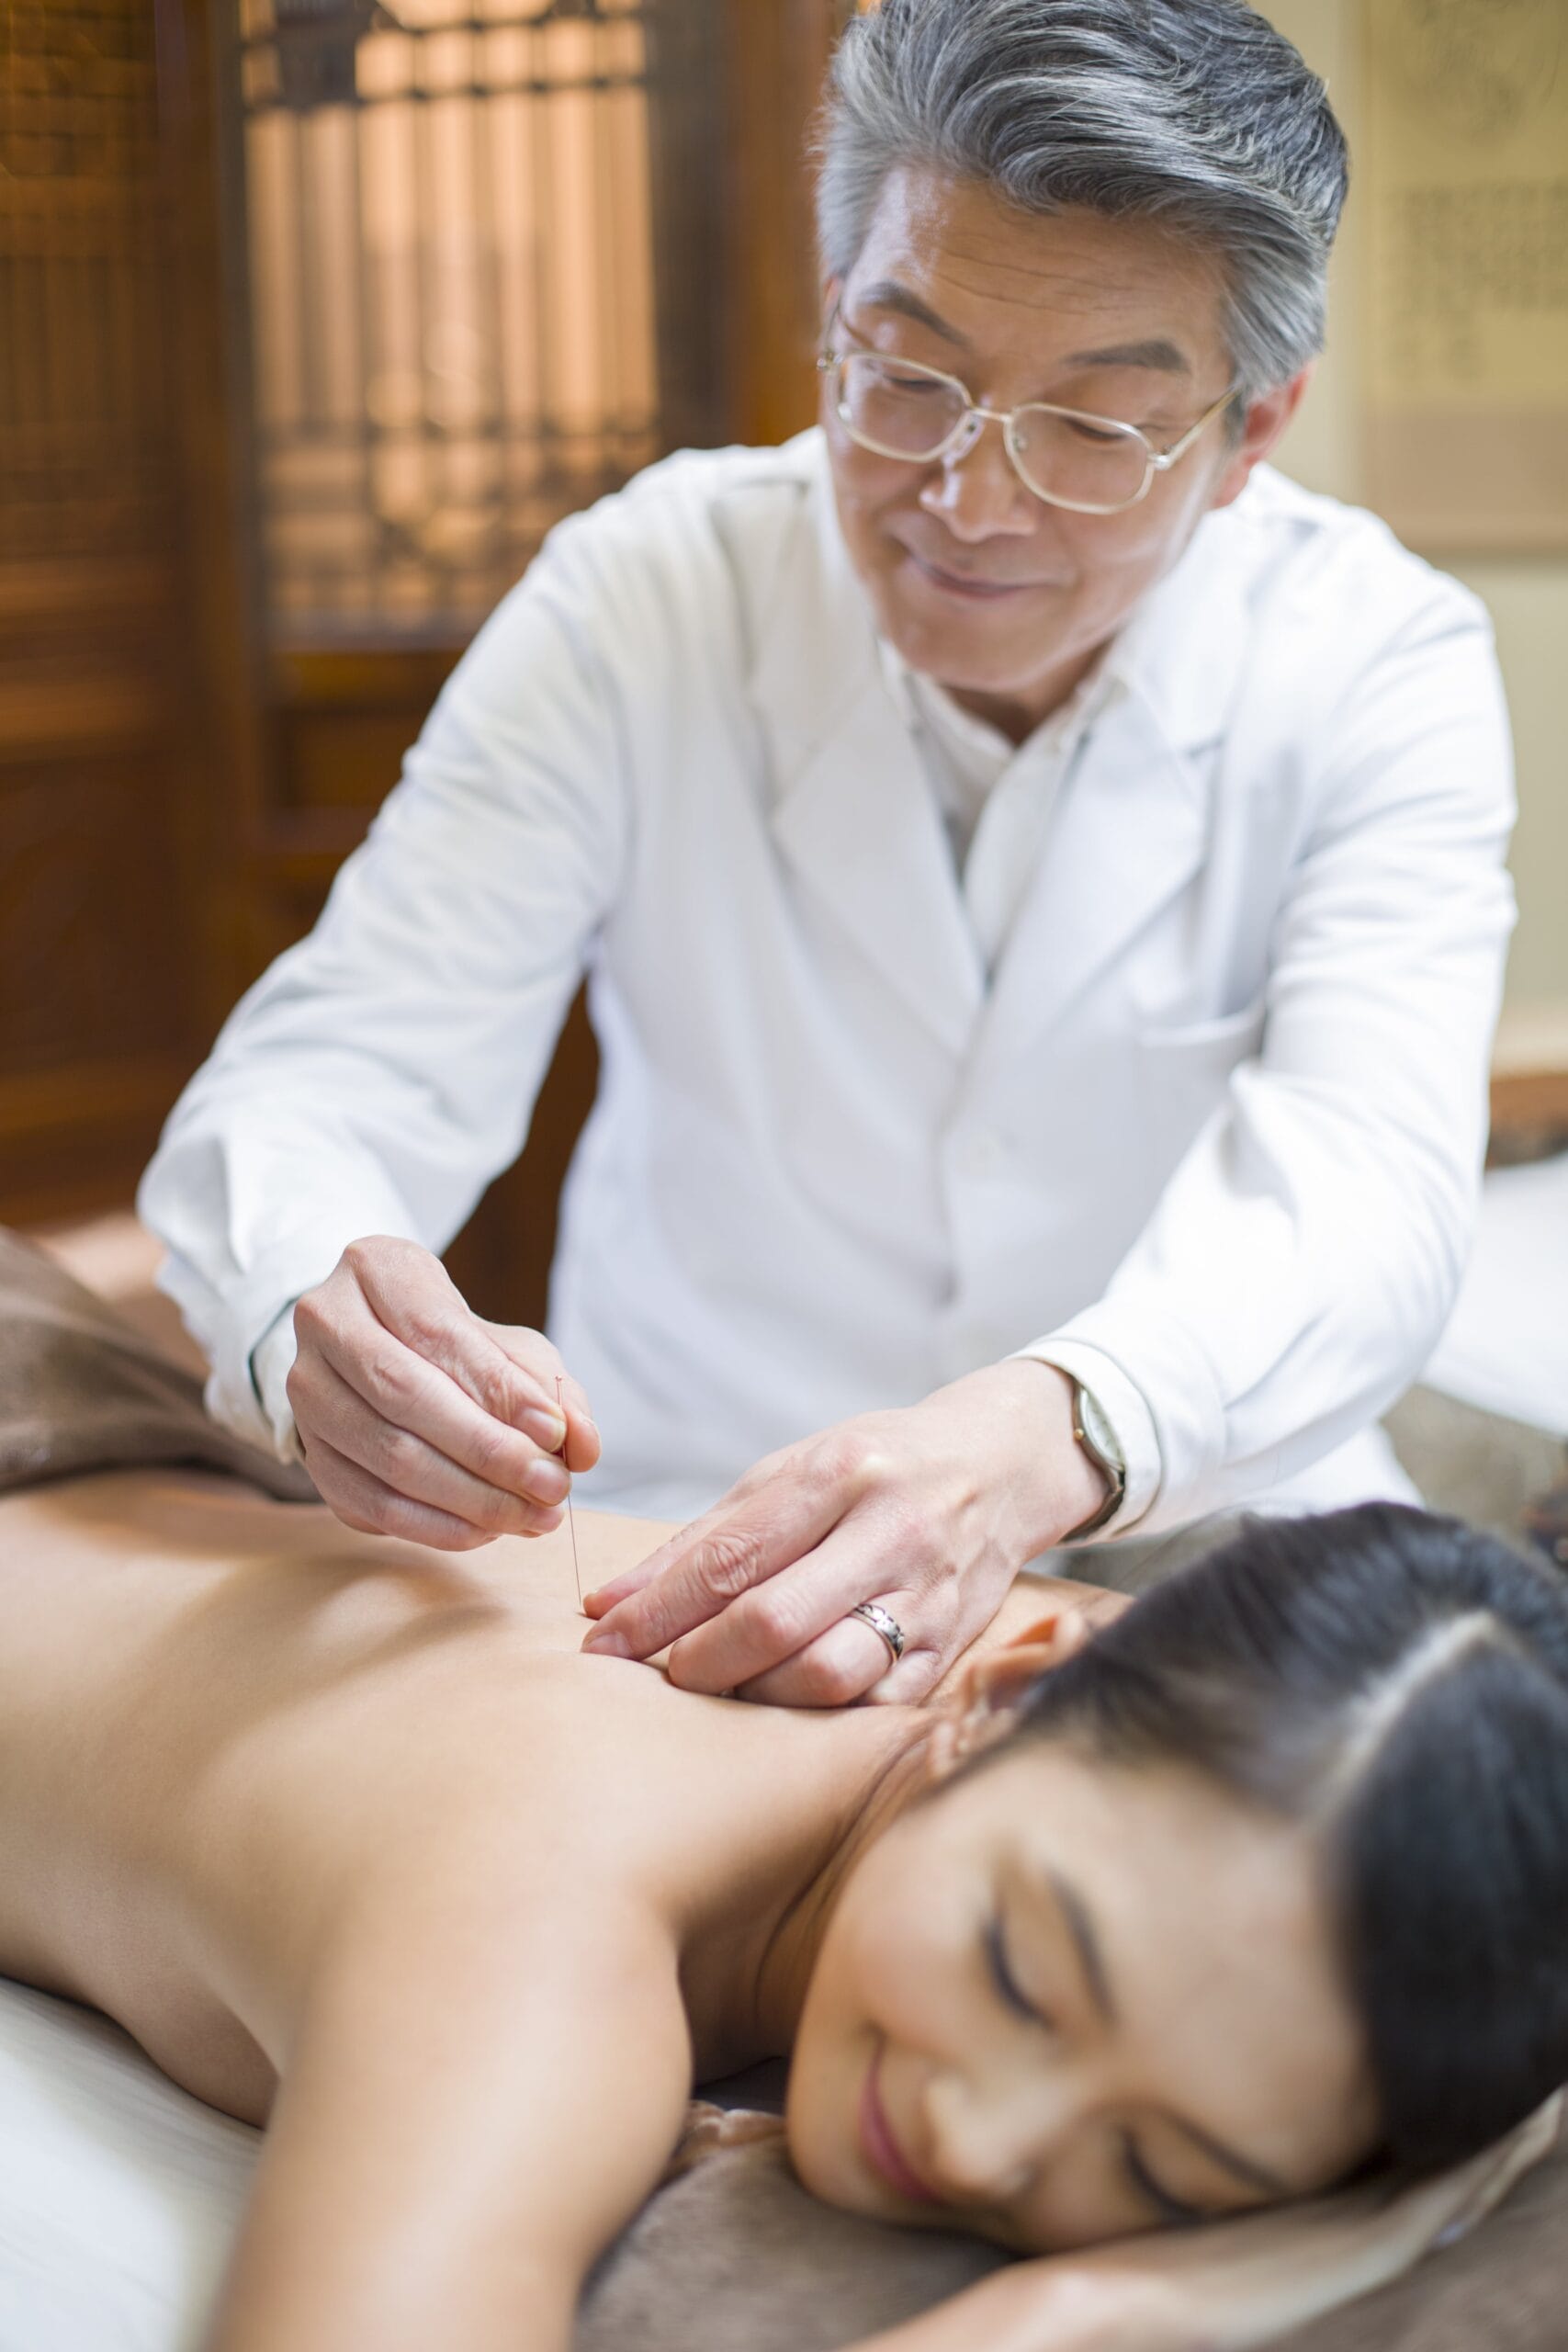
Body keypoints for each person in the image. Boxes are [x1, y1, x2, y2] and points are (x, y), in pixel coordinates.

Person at [138, 0, 1517, 1710]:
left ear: (1252, 430)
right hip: (687, 1526)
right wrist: (310, 1312)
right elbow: (334, 1066)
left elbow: (1368, 1190)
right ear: (829, 327)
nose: (971, 499)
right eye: (908, 375)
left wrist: (1041, 1436)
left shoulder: (1382, 656)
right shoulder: (648, 594)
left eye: (1094, 424)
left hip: (1212, 1537)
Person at [0, 1478, 1562, 2351]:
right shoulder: (541, 1914)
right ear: (1005, 1697)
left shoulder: (1156, 1703)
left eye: (1158, 2166)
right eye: (1021, 1978)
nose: (979, 2143)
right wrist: (1066, 2321)